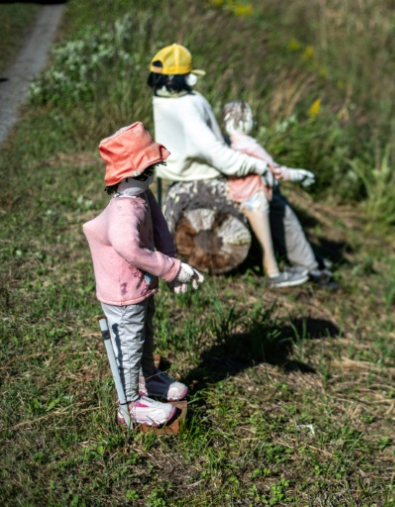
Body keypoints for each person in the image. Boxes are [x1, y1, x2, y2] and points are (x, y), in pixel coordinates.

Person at [147, 43, 309, 288]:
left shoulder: (160, 98)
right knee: (273, 201)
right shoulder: (188, 105)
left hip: (174, 172)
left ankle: (300, 263)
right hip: (198, 174)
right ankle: (287, 267)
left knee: (271, 198)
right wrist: (257, 165)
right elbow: (217, 155)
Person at [83, 122, 204, 427]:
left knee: (144, 335)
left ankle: (148, 379)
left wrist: (171, 268)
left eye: (153, 169)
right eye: (145, 171)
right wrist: (174, 269)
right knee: (129, 341)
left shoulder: (142, 196)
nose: (151, 177)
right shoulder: (125, 211)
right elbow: (131, 249)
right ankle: (130, 402)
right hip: (123, 293)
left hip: (140, 287)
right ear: (126, 174)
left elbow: (160, 228)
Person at [222, 100, 333, 286]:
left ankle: (302, 264)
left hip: (239, 193)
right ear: (242, 121)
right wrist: (298, 174)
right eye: (251, 118)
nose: (254, 123)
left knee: (269, 237)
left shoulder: (228, 145)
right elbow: (275, 169)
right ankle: (280, 273)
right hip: (256, 197)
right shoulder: (250, 145)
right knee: (273, 235)